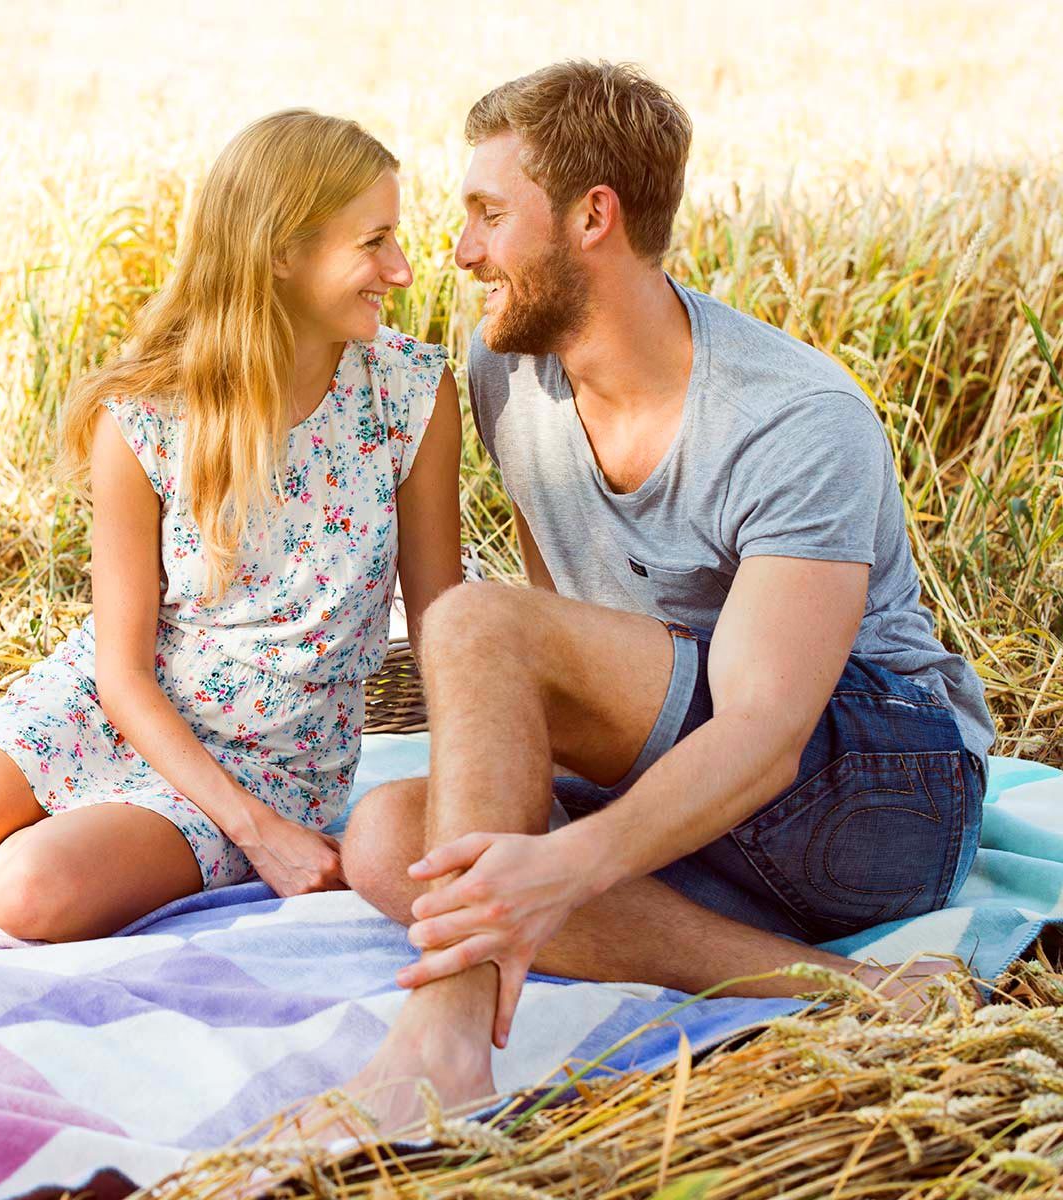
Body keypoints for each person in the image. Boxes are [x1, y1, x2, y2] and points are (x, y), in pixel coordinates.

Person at [335, 61, 994, 1126]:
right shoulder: (510, 370)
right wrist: (526, 824)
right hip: (701, 793)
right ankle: (849, 989)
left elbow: (766, 733)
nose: (460, 252)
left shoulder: (792, 417)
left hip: (886, 789)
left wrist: (570, 861)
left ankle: (443, 1047)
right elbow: (567, 643)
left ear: (593, 216)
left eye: (490, 214)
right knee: (388, 842)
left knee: (474, 621)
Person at [0, 110, 467, 945]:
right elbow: (121, 673)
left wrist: (464, 812)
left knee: (30, 893)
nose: (401, 270)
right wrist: (258, 839)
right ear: (281, 252)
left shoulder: (411, 393)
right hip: (113, 706)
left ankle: (13, 833)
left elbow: (448, 631)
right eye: (374, 242)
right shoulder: (145, 414)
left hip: (269, 762)